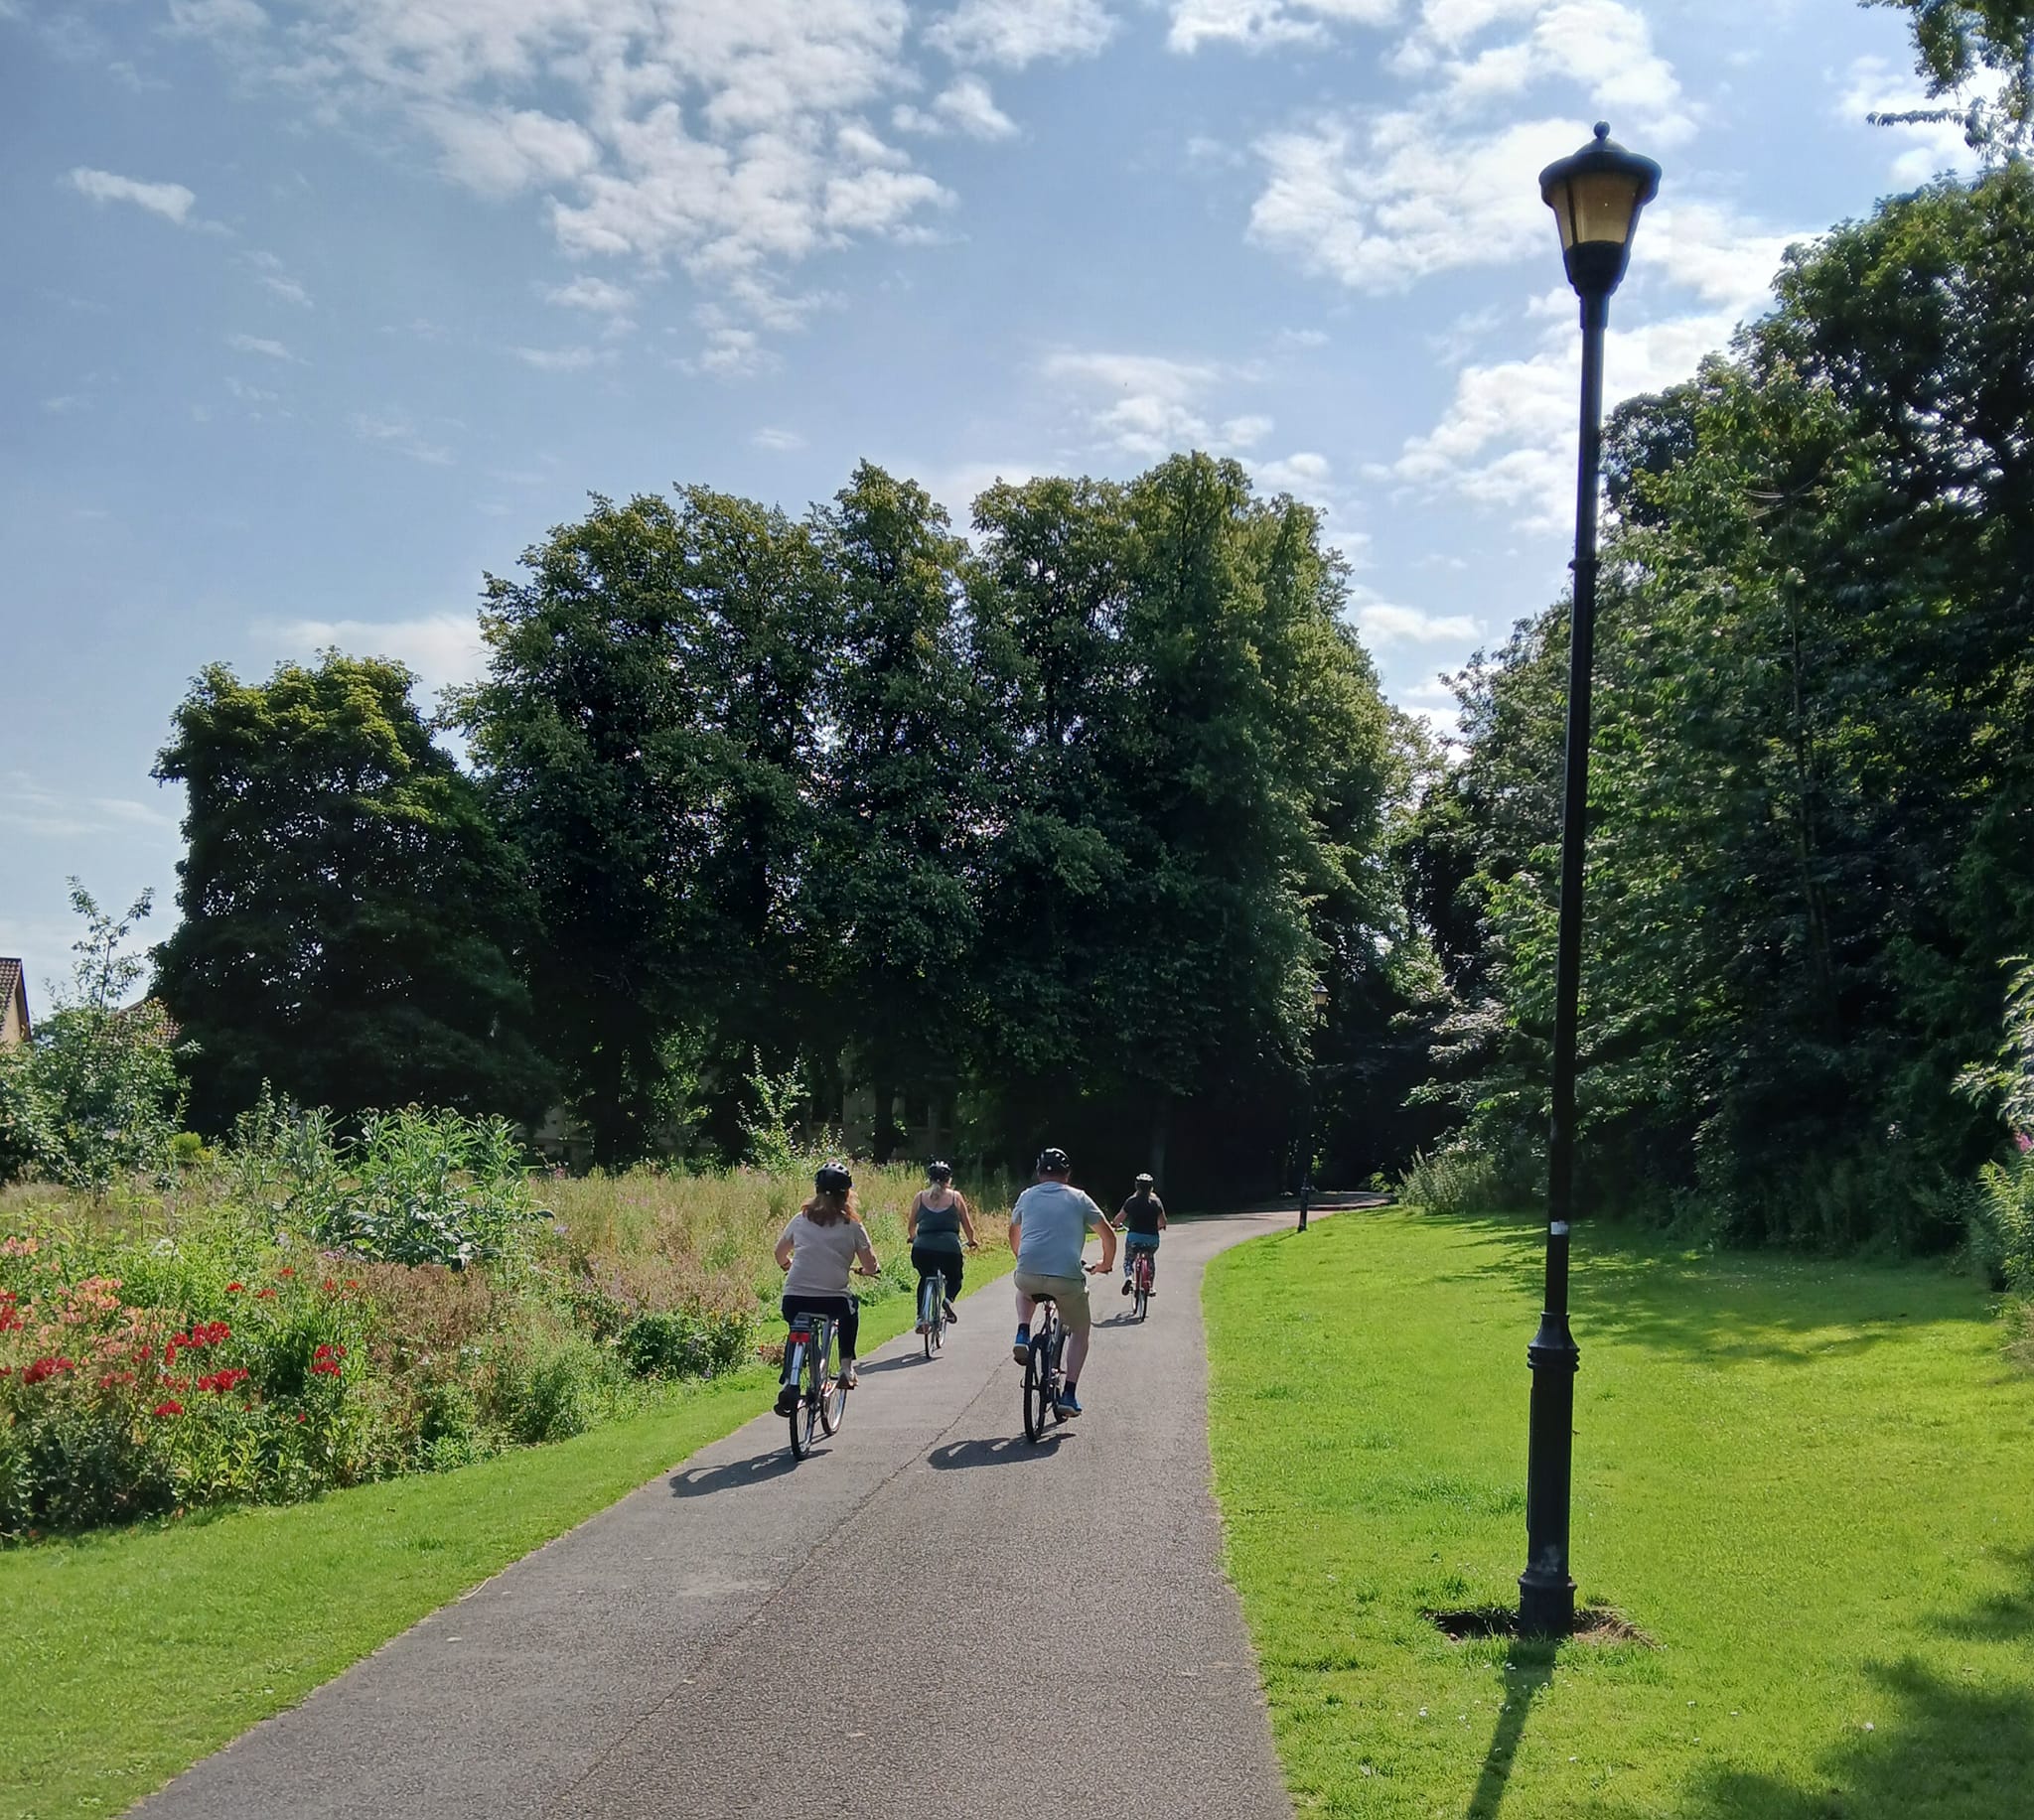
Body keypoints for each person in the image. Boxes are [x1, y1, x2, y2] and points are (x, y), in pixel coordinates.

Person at [1009, 1146, 1115, 1417]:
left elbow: (1014, 1230)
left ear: (1038, 1173)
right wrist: (1106, 1264)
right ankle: (1068, 1394)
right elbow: (1108, 1236)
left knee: (1024, 1289)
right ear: (1067, 1174)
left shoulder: (1027, 1196)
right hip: (1066, 1278)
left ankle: (1023, 1331)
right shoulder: (1079, 1198)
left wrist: (1021, 1256)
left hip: (1029, 1271)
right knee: (1080, 1331)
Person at [774, 1162, 880, 1414]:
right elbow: (870, 1263)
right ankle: (845, 1367)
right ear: (847, 1194)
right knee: (851, 1308)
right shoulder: (852, 1225)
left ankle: (791, 1378)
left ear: (817, 1191)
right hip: (833, 1300)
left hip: (794, 1298)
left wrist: (788, 1265)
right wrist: (868, 1271)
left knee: (797, 1326)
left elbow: (779, 1253)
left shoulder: (800, 1219)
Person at [907, 1160, 978, 1332]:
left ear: (929, 1179)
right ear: (949, 1180)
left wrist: (912, 1238)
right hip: (950, 1248)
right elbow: (968, 1227)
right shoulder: (956, 1197)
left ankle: (921, 1318)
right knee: (955, 1278)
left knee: (925, 1278)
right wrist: (971, 1240)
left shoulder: (920, 1197)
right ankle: (948, 1300)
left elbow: (911, 1226)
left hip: (922, 1248)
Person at [1117, 1172, 1167, 1295]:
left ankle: (1129, 1277)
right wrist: (1159, 1226)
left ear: (1136, 1186)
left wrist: (1115, 1224)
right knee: (1150, 1259)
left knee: (1128, 1260)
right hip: (1152, 1239)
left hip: (1134, 1238)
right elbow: (1163, 1222)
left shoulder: (1131, 1201)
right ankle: (1150, 1287)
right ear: (1151, 1187)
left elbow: (1118, 1219)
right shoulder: (1156, 1202)